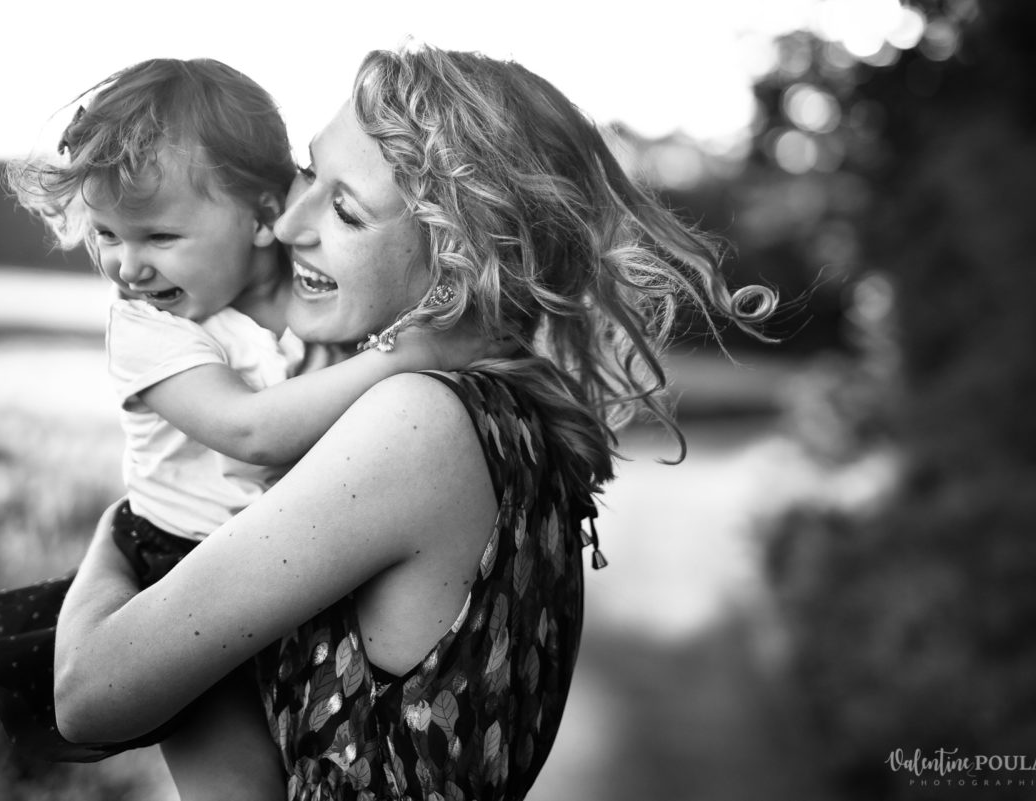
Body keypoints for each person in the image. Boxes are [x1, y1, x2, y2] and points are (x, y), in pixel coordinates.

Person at [53, 44, 777, 800]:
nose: (283, 222)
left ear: (459, 254)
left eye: (343, 207)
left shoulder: (417, 422)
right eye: (308, 173)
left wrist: (114, 539)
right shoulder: (510, 424)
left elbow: (87, 693)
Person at [0, 57, 473, 801]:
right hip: (175, 561)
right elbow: (252, 431)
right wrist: (410, 355)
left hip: (278, 552)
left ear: (262, 218)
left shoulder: (311, 288)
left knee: (306, 751)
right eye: (105, 233)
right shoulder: (146, 329)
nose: (126, 267)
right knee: (241, 784)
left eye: (159, 236)